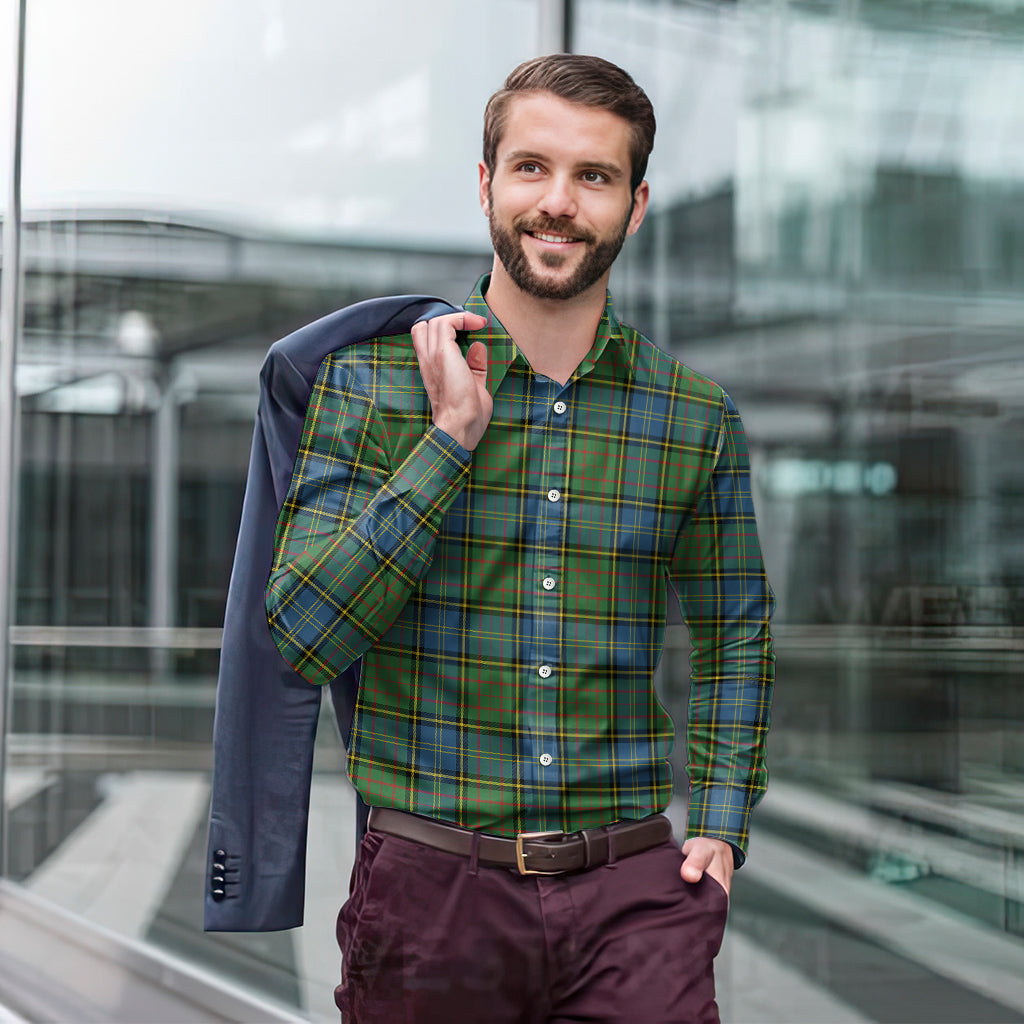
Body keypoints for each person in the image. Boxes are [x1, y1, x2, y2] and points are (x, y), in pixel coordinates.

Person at [265, 53, 775, 1024]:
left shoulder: (691, 418)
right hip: (432, 896)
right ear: (486, 182)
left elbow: (734, 632)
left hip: (634, 896)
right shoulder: (370, 388)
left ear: (636, 203)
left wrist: (717, 818)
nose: (559, 202)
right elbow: (302, 632)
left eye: (595, 176)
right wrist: (449, 440)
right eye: (532, 167)